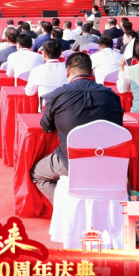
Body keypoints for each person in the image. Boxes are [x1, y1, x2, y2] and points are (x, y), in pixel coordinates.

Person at [31, 52, 124, 202]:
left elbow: (46, 127)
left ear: (67, 72)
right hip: (107, 160)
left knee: (37, 174)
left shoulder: (57, 95)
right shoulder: (111, 95)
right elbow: (118, 127)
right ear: (92, 72)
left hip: (70, 162)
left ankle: (64, 208)